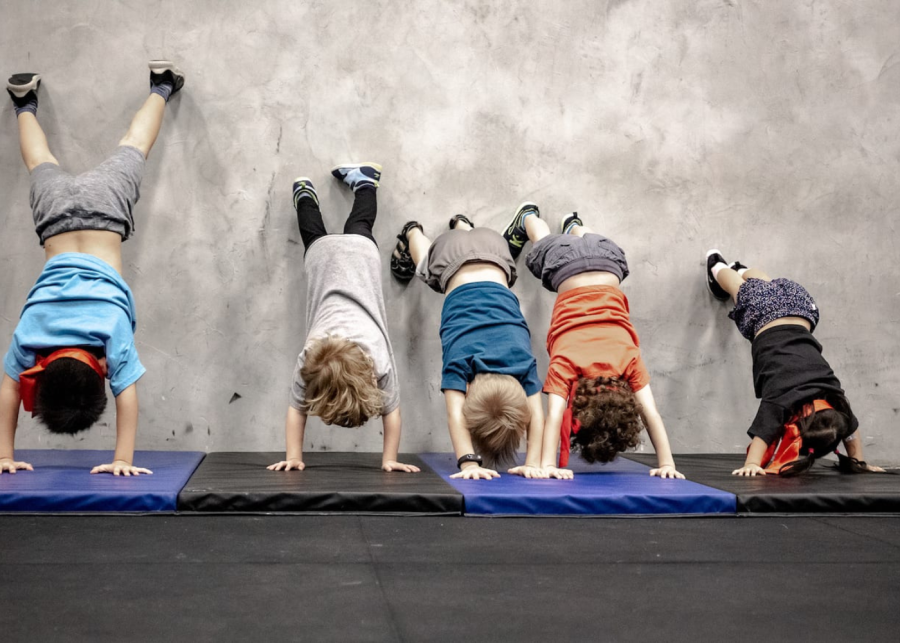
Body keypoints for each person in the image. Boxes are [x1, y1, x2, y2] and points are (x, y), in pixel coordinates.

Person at [0, 62, 184, 476]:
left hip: (105, 212)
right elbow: (10, 388)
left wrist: (122, 459)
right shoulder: (30, 334)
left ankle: (162, 85)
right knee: (40, 161)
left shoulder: (109, 335)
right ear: (42, 373)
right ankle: (23, 103)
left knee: (134, 145)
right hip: (55, 216)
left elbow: (128, 395)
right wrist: (2, 455)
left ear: (100, 374)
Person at [505, 204, 683, 479]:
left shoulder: (629, 361)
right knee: (540, 240)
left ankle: (575, 226)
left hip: (608, 259)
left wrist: (668, 463)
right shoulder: (565, 365)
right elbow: (553, 417)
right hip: (565, 265)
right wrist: (548, 465)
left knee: (586, 238)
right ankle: (527, 218)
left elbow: (651, 413)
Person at [268, 164, 419, 474]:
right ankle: (304, 193)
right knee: (313, 231)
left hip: (361, 257)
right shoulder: (309, 358)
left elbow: (393, 414)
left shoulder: (378, 359)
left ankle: (367, 185)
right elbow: (296, 410)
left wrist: (389, 458)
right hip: (322, 260)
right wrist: (293, 454)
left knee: (360, 222)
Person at [391, 212, 547, 480]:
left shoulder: (523, 363)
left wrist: (534, 461)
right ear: (469, 390)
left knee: (486, 263)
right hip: (447, 253)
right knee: (428, 270)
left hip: (495, 248)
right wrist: (468, 463)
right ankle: (412, 233)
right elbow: (454, 414)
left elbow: (537, 418)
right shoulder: (459, 364)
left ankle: (463, 225)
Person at [705, 250, 883, 476]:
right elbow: (763, 435)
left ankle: (742, 269)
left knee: (766, 285)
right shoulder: (781, 401)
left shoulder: (836, 399)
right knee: (737, 289)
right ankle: (718, 267)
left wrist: (859, 461)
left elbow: (850, 431)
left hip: (802, 306)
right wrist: (751, 464)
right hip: (762, 313)